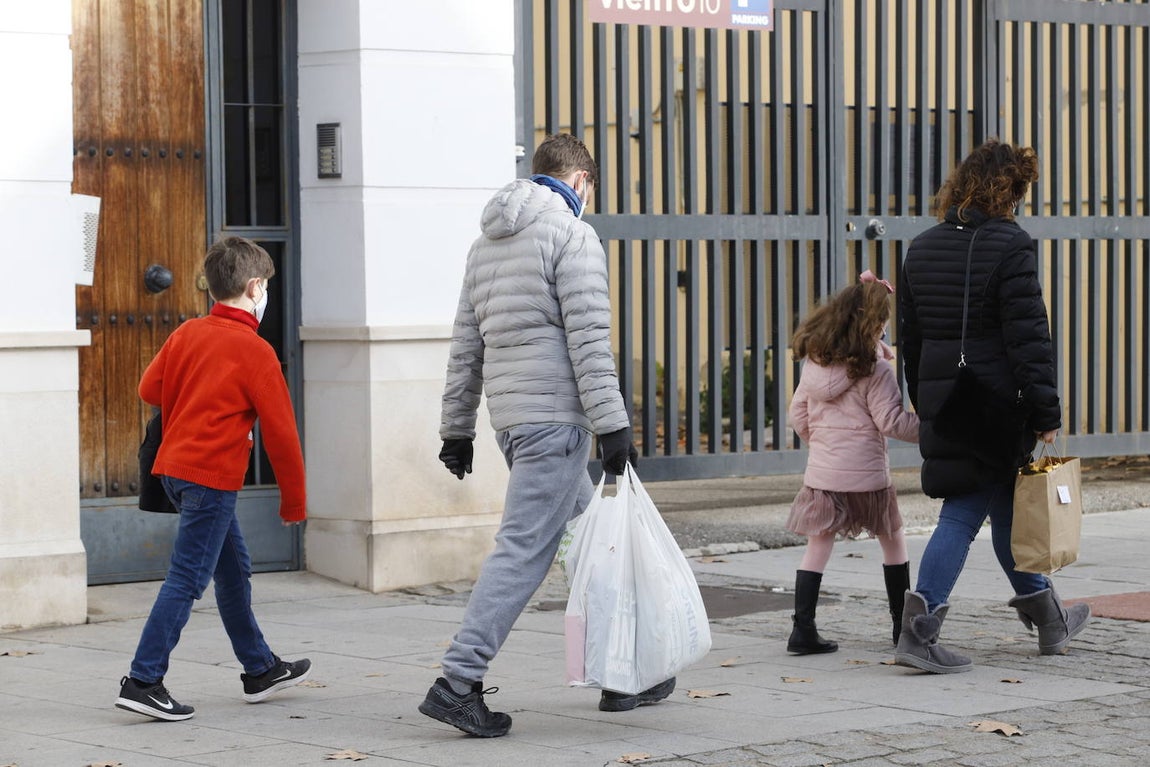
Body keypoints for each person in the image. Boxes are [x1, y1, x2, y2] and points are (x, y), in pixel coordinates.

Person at [419, 133, 672, 739]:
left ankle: (625, 673)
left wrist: (458, 430)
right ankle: (458, 680)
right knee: (523, 551)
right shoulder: (571, 234)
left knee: (591, 544)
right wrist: (612, 426)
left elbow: (465, 347)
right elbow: (588, 338)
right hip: (559, 423)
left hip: (515, 424)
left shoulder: (486, 245)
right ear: (580, 180)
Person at [894, 139, 1090, 673]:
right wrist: (1046, 412)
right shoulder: (1011, 245)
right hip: (996, 405)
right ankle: (920, 630)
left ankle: (1050, 619)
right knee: (962, 512)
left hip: (945, 399)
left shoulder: (922, 246)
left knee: (1006, 509)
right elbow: (1028, 338)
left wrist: (925, 396)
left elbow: (912, 337)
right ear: (1010, 191)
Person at [114, 236, 312, 721]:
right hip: (211, 478)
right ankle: (143, 679)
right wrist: (294, 504)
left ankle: (259, 667)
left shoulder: (187, 333)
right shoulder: (255, 350)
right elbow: (282, 437)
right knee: (187, 578)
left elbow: (149, 388)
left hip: (177, 473)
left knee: (231, 569)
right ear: (255, 285)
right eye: (265, 287)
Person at [784, 275, 920, 655]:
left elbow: (798, 416)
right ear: (874, 325)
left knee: (818, 545)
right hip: (869, 477)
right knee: (892, 541)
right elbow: (891, 422)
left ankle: (802, 629)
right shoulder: (875, 369)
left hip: (824, 473)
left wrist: (825, 445)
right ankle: (901, 627)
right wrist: (934, 431)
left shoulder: (815, 362)